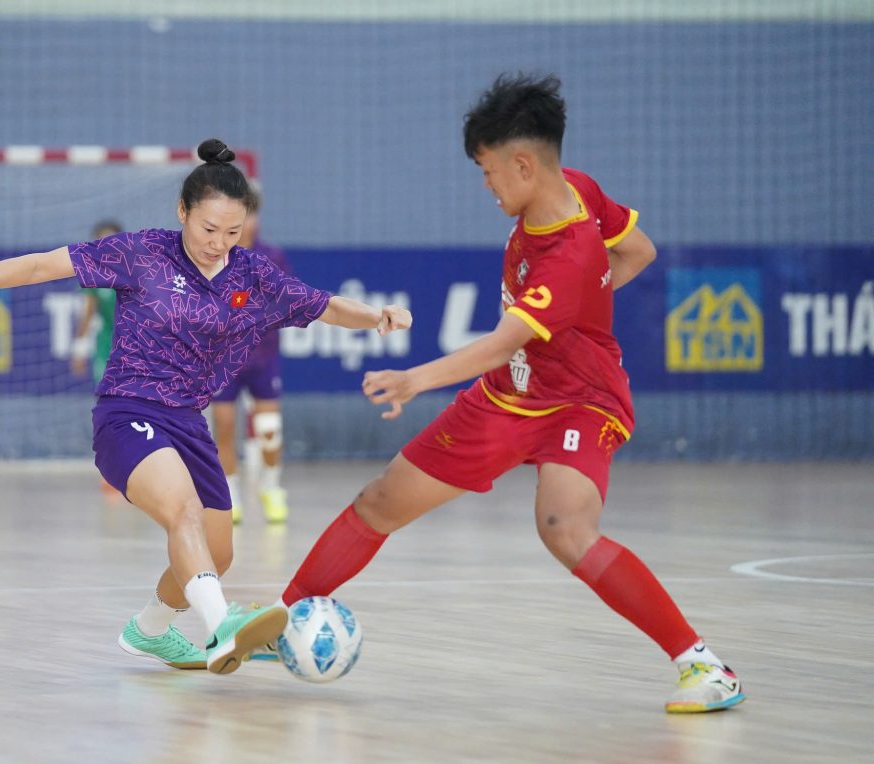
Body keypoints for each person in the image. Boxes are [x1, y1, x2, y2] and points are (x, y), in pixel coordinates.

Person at [269, 75, 745, 713]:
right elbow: (638, 250)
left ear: (523, 164)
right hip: (511, 394)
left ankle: (705, 668)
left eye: (489, 172)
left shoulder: (567, 258)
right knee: (383, 499)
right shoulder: (577, 187)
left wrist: (415, 380)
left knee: (565, 526)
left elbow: (498, 343)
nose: (487, 185)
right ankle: (278, 620)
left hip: (580, 400)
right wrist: (582, 315)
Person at [0, 138, 412, 676]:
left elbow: (325, 305)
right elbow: (36, 268)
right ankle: (222, 625)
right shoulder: (140, 253)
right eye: (208, 229)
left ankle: (149, 629)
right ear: (182, 212)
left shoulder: (255, 276)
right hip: (127, 413)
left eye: (232, 233)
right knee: (181, 512)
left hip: (189, 422)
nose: (219, 243)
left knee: (216, 552)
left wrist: (377, 316)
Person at [209, 183, 291, 525]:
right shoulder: (213, 256)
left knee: (269, 426)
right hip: (222, 361)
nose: (248, 222)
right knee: (225, 427)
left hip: (262, 358)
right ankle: (229, 493)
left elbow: (287, 300)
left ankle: (271, 487)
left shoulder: (271, 256)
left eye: (252, 214)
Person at [70, 219, 124, 385]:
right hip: (106, 345)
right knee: (107, 397)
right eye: (102, 243)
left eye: (112, 242)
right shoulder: (93, 274)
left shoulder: (135, 270)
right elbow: (88, 313)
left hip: (136, 344)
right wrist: (79, 349)